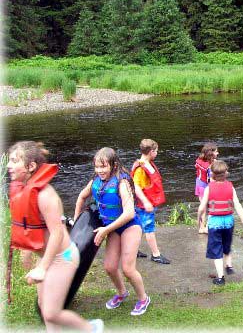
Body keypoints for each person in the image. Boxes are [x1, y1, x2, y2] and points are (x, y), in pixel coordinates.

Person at [7, 141, 103, 332]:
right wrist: (27, 252)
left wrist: (42, 268)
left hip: (64, 258)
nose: (8, 165)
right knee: (45, 308)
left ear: (31, 166)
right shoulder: (23, 191)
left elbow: (58, 232)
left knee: (51, 312)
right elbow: (29, 225)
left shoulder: (46, 196)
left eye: (14, 161)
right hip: (47, 257)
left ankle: (92, 328)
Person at [74, 147, 150, 316]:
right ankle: (122, 293)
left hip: (130, 226)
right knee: (109, 267)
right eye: (97, 167)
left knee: (128, 269)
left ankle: (143, 299)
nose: (100, 170)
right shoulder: (95, 181)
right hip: (112, 229)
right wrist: (76, 222)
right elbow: (81, 197)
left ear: (114, 165)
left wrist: (105, 230)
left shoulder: (122, 183)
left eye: (104, 166)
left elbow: (129, 212)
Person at [197, 160, 243, 285]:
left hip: (215, 223)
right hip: (229, 221)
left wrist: (199, 220)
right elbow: (238, 206)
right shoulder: (230, 186)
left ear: (212, 174)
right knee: (226, 244)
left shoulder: (209, 188)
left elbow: (201, 207)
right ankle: (229, 265)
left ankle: (220, 278)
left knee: (216, 250)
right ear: (226, 174)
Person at [131, 139, 170, 264]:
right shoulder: (140, 169)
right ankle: (156, 254)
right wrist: (146, 202)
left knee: (140, 227)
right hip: (143, 204)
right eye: (156, 151)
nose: (157, 153)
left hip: (148, 201)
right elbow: (136, 187)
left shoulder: (148, 163)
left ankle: (133, 250)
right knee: (149, 228)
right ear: (150, 152)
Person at [195, 142, 219, 234]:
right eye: (216, 152)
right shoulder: (211, 166)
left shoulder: (199, 160)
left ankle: (201, 228)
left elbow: (196, 167)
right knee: (211, 207)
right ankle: (208, 227)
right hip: (207, 187)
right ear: (211, 153)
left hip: (199, 185)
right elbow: (212, 180)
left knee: (203, 206)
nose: (218, 153)